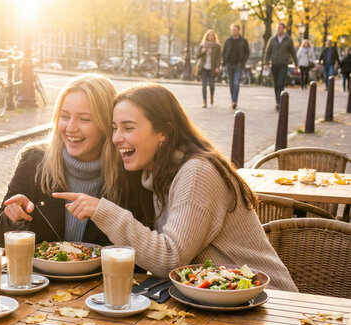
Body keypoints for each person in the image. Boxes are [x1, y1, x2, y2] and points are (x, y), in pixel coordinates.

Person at [53, 83, 298, 292]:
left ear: (163, 132)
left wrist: (102, 210)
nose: (116, 138)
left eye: (128, 128)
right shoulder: (156, 174)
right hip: (220, 302)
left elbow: (169, 259)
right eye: (115, 128)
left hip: (268, 303)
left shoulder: (196, 172)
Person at [0, 73, 151, 248]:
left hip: (104, 275)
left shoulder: (130, 171)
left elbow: (142, 254)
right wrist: (12, 218)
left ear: (106, 123)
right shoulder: (34, 161)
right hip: (40, 275)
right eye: (65, 116)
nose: (70, 128)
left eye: (84, 119)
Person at [263, 22, 298, 111]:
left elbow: (293, 52)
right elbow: (268, 52)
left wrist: (296, 64)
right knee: (275, 84)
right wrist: (266, 63)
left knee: (280, 83)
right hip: (274, 64)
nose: (278, 29)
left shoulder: (288, 40)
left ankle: (280, 102)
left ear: (284, 29)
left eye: (280, 28)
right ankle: (277, 101)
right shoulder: (272, 39)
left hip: (283, 64)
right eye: (277, 28)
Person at [222, 24, 250, 109]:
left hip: (238, 65)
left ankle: (234, 101)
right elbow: (224, 52)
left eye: (235, 30)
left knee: (236, 83)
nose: (234, 31)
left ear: (238, 30)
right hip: (229, 65)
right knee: (231, 84)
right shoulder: (228, 41)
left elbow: (247, 52)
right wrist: (224, 63)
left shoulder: (243, 41)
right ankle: (232, 100)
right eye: (232, 30)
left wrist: (242, 62)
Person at [195, 29, 221, 108]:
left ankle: (211, 96)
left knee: (212, 85)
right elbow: (197, 56)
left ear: (214, 37)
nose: (211, 37)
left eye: (212, 35)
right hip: (203, 68)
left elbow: (219, 58)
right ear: (207, 36)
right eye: (209, 35)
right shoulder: (202, 45)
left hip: (212, 68)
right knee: (204, 85)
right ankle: (204, 102)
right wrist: (203, 51)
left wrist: (217, 67)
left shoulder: (217, 46)